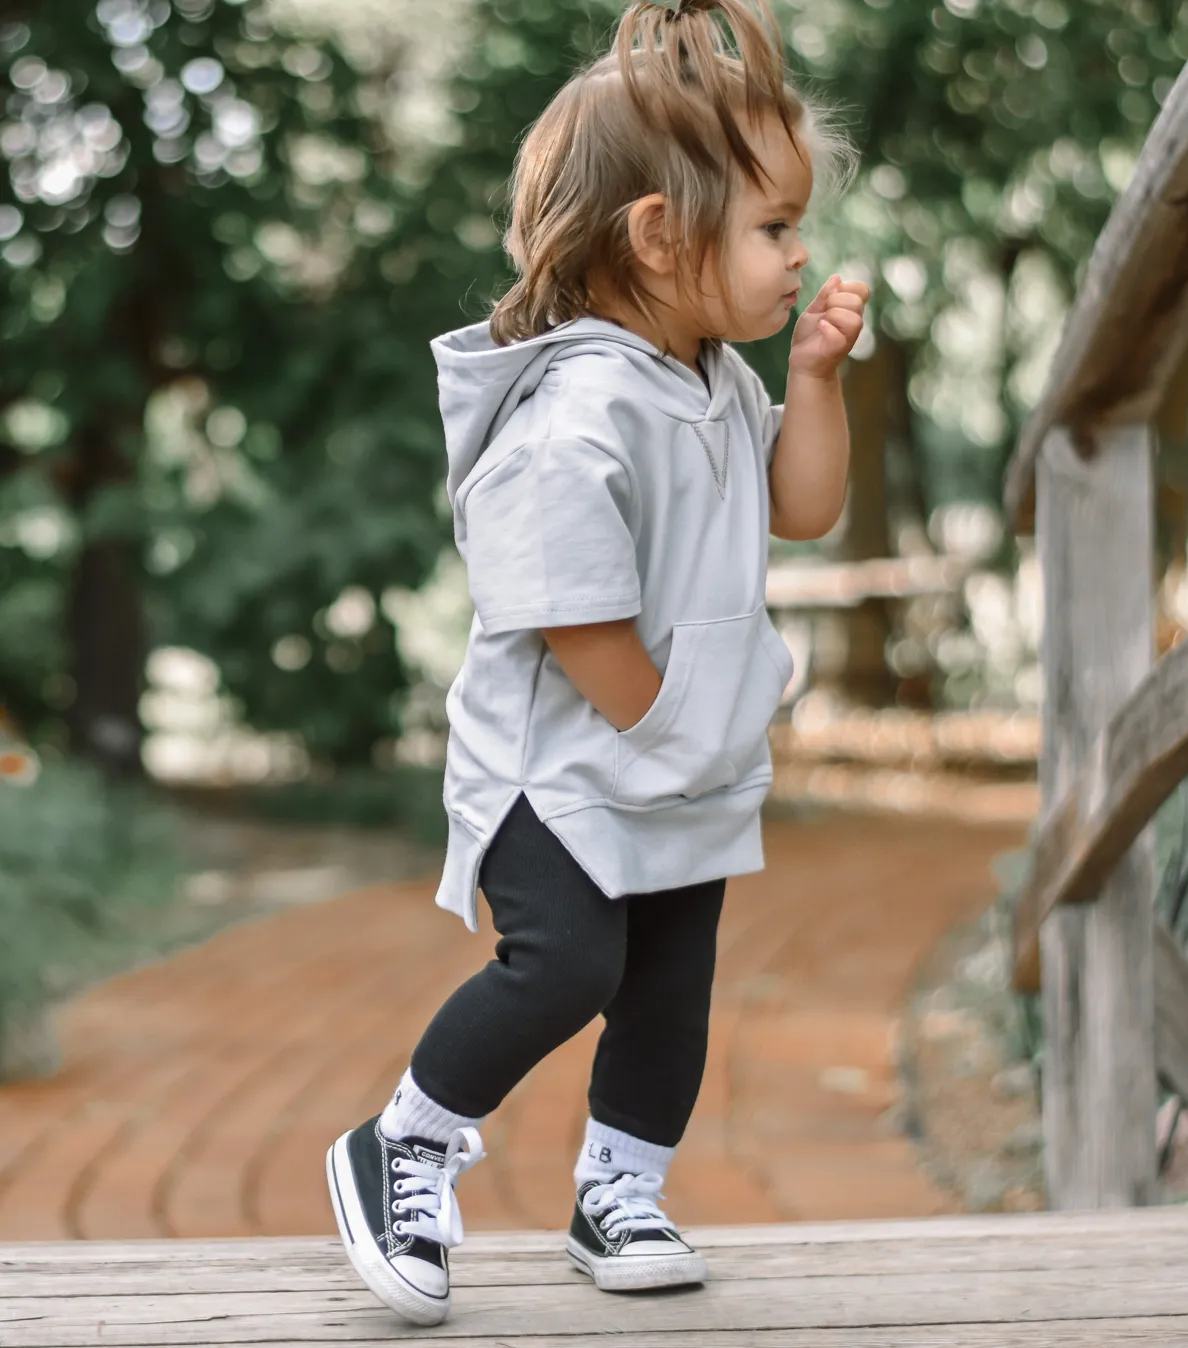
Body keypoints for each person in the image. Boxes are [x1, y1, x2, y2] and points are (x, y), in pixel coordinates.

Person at [326, 0, 867, 1324]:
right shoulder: (574, 418)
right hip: (557, 774)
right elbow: (583, 635)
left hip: (675, 756)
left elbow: (802, 510)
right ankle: (403, 1142)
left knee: (671, 987)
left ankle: (620, 1186)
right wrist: (697, 730)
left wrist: (818, 377)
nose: (801, 255)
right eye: (776, 229)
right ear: (659, 237)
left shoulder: (715, 381)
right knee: (570, 966)